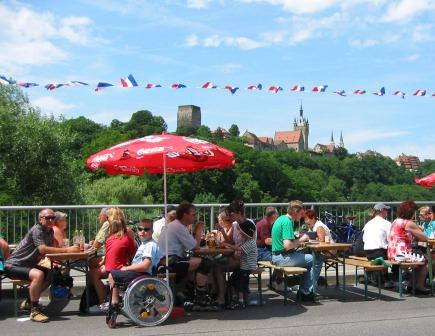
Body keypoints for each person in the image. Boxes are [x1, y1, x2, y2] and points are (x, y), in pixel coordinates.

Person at [4, 209, 79, 322]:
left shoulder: (49, 231)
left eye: (53, 218)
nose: (50, 220)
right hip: (13, 265)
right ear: (40, 219)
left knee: (50, 274)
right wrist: (68, 250)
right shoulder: (37, 230)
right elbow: (42, 249)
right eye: (47, 218)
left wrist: (62, 255)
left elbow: (47, 252)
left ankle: (29, 302)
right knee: (38, 275)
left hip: (28, 265)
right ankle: (35, 311)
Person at [158, 201, 217, 308]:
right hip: (169, 261)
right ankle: (201, 298)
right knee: (205, 263)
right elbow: (195, 247)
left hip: (165, 260)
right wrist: (199, 230)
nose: (195, 217)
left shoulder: (175, 225)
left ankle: (187, 295)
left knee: (194, 262)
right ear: (185, 214)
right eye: (193, 215)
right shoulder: (178, 227)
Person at [271, 200, 322, 301]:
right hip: (283, 257)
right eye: (301, 213)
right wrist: (301, 239)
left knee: (308, 259)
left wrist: (296, 238)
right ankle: (306, 291)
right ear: (296, 212)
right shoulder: (287, 221)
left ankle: (304, 289)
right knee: (316, 259)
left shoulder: (281, 218)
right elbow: (287, 245)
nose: (302, 216)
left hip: (276, 256)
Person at [387, 200, 430, 294]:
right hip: (402, 253)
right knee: (426, 260)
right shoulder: (408, 223)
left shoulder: (396, 221)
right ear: (410, 212)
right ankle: (419, 286)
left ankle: (411, 284)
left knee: (419, 259)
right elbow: (425, 238)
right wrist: (418, 229)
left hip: (392, 253)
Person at [225, 200, 258, 308]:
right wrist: (221, 231)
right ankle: (235, 298)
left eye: (231, 215)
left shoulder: (248, 226)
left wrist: (227, 245)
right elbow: (230, 240)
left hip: (245, 262)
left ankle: (238, 299)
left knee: (222, 269)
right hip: (240, 259)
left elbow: (241, 247)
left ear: (238, 213)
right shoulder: (235, 224)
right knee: (221, 267)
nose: (229, 217)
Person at [362, 203, 394, 288]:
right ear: (381, 211)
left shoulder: (368, 223)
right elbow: (391, 239)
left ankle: (380, 277)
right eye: (386, 210)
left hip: (368, 253)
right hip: (379, 253)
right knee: (394, 254)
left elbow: (364, 240)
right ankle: (388, 279)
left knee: (382, 251)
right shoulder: (387, 223)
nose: (387, 212)